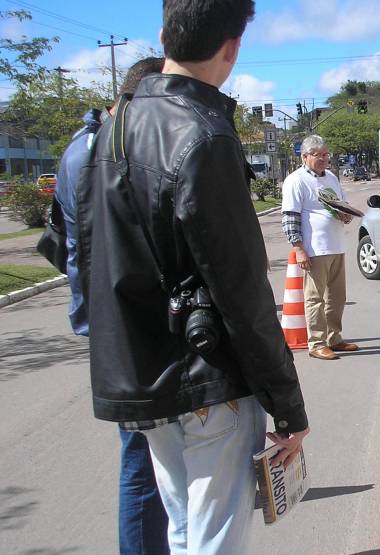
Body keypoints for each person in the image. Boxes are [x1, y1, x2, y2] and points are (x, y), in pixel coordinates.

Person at [76, 2, 309, 553]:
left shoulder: (113, 130)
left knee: (183, 529)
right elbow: (241, 288)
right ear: (232, 47)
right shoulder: (205, 134)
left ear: (164, 35)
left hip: (147, 367)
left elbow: (88, 251)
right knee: (213, 538)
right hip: (209, 375)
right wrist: (288, 404)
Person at [56, 57, 169, 555]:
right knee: (142, 460)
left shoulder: (90, 145)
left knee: (149, 456)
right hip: (125, 325)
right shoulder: (103, 151)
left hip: (115, 321)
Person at [281, 135, 358, 361]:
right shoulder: (296, 180)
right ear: (305, 157)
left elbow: (341, 204)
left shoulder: (331, 177)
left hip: (336, 245)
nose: (324, 159)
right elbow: (290, 217)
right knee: (315, 298)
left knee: (337, 297)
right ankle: (317, 343)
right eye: (318, 155)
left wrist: (346, 214)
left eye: (326, 154)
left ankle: (334, 338)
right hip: (314, 248)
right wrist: (299, 248)